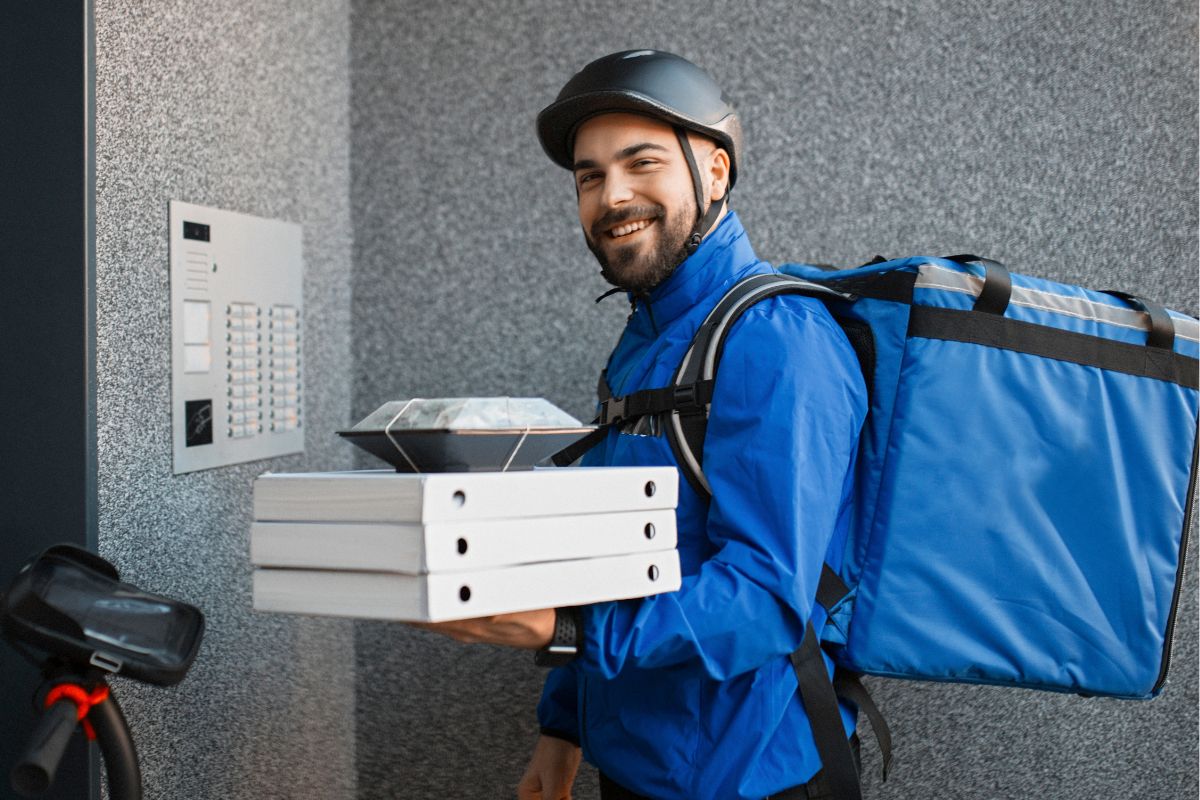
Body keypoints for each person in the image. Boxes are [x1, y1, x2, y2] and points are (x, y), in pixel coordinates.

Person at [416, 50, 867, 800]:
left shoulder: (778, 338)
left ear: (715, 171)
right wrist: (562, 731)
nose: (612, 195)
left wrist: (564, 630)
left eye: (641, 162)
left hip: (750, 776)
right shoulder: (647, 342)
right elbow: (605, 560)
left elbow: (764, 600)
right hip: (634, 765)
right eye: (590, 176)